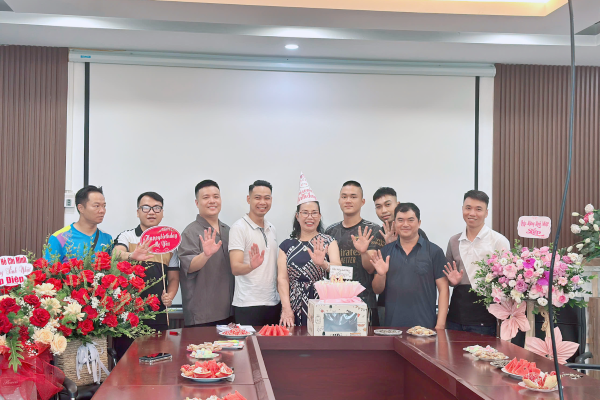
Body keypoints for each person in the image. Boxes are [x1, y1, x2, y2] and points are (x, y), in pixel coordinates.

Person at [112, 191, 180, 359]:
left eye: (157, 208)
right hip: (128, 313)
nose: (151, 212)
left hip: (158, 313)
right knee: (127, 362)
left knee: (157, 363)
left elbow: (173, 278)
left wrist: (170, 295)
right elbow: (116, 254)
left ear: (162, 213)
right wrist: (132, 255)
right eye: (146, 207)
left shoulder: (169, 244)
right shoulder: (127, 236)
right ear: (138, 212)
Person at [371, 203, 449, 329]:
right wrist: (381, 274)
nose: (405, 224)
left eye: (410, 220)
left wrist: (440, 325)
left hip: (425, 327)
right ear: (395, 223)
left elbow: (444, 289)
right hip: (393, 327)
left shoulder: (434, 251)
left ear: (419, 223)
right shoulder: (385, 252)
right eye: (400, 220)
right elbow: (377, 290)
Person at [443, 190, 510, 336]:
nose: (472, 213)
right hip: (456, 312)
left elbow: (506, 281)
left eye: (478, 209)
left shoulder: (498, 241)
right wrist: (451, 282)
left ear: (486, 213)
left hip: (485, 315)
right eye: (468, 208)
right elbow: (448, 279)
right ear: (462, 209)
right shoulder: (454, 241)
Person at [278, 173, 341, 327]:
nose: (310, 217)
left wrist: (324, 264)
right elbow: (282, 279)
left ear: (319, 216)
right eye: (305, 213)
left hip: (322, 302)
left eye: (314, 213)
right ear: (297, 216)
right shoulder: (286, 245)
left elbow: (339, 271)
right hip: (293, 303)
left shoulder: (329, 241)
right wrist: (286, 308)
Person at [325, 181, 385, 326]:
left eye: (353, 197)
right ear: (339, 200)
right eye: (344, 197)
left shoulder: (373, 230)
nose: (348, 200)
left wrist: (363, 252)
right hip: (335, 304)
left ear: (362, 201)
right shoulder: (330, 231)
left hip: (365, 304)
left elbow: (371, 269)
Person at [178, 180, 234, 327]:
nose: (212, 201)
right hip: (202, 314)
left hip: (230, 312)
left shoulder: (228, 230)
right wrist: (206, 255)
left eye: (216, 196)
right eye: (206, 197)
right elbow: (189, 266)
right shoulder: (190, 232)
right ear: (197, 203)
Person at [371, 187, 429, 325]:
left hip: (415, 306)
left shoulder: (416, 233)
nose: (384, 210)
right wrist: (389, 247)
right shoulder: (377, 234)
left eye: (388, 204)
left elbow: (422, 268)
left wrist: (396, 246)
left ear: (397, 205)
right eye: (378, 207)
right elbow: (374, 272)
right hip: (386, 304)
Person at [229, 180, 280, 325]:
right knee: (249, 341)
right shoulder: (239, 228)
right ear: (248, 199)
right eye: (257, 197)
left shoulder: (272, 228)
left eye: (267, 198)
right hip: (248, 304)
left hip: (273, 302)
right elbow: (235, 268)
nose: (262, 202)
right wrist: (251, 266)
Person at [45, 185, 112, 262]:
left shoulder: (107, 238)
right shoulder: (60, 237)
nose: (102, 210)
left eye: (104, 206)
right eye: (97, 206)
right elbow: (49, 267)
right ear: (81, 208)